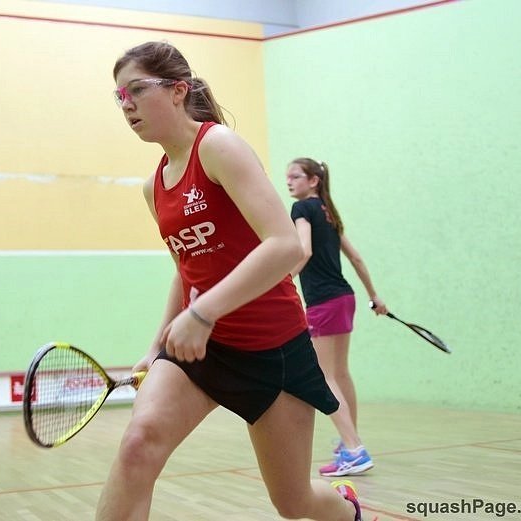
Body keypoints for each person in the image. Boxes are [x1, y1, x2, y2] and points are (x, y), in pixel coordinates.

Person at [96, 41, 365, 521]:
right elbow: (185, 268)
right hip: (200, 351)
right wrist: (157, 344)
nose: (126, 105)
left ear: (178, 90)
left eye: (136, 90)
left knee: (292, 502)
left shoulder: (218, 146)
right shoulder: (153, 186)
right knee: (138, 445)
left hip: (273, 349)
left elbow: (285, 245)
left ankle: (348, 511)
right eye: (120, 96)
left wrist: (202, 313)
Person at [286, 157, 388, 477]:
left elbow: (304, 251)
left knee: (324, 375)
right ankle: (350, 443)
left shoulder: (302, 209)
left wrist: (282, 280)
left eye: (295, 176)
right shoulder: (329, 212)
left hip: (323, 301)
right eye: (287, 177)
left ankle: (354, 449)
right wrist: (374, 296)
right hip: (345, 298)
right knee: (340, 373)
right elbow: (355, 257)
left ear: (313, 180)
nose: (289, 182)